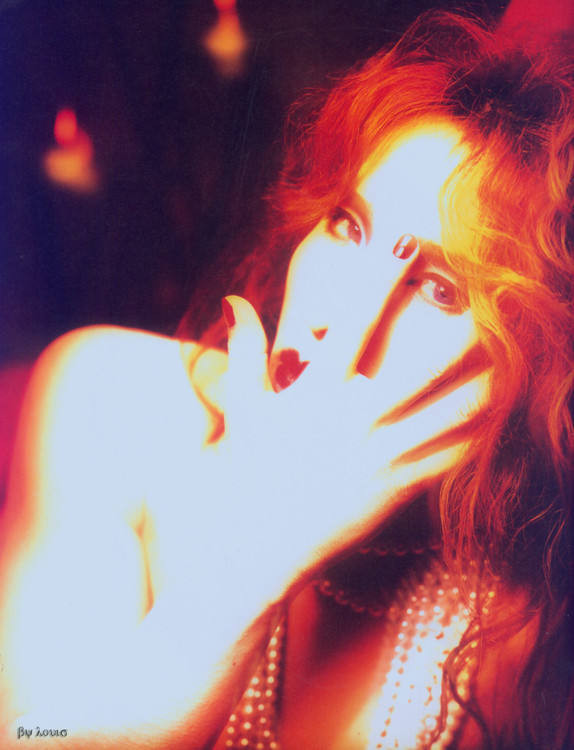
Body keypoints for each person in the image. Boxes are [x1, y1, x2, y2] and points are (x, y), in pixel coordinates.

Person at [0, 9, 572, 750]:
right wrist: (254, 563)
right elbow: (30, 733)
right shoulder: (114, 403)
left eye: (437, 288)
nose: (340, 312)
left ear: (532, 363)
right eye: (348, 225)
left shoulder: (517, 621)